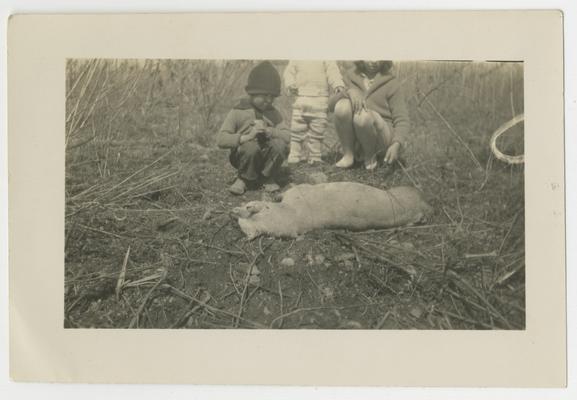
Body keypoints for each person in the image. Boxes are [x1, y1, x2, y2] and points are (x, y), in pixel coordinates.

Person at [217, 61, 290, 195]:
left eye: (272, 97)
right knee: (250, 147)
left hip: (267, 156)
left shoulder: (273, 113)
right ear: (252, 93)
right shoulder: (238, 111)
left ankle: (267, 177)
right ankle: (244, 178)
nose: (268, 100)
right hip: (244, 156)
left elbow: (288, 136)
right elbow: (221, 140)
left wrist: (271, 132)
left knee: (280, 145)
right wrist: (246, 137)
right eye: (264, 95)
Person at [329, 60, 410, 170]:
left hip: (381, 136)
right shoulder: (350, 76)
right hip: (357, 135)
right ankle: (348, 155)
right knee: (342, 106)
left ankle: (370, 158)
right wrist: (348, 92)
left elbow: (402, 119)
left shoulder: (392, 83)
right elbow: (330, 105)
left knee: (362, 116)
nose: (374, 61)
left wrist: (397, 143)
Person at [283, 60, 345, 164]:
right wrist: (290, 84)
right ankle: (295, 154)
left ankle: (315, 156)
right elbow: (289, 72)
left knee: (317, 130)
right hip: (301, 97)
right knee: (297, 129)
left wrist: (337, 84)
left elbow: (332, 70)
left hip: (320, 99)